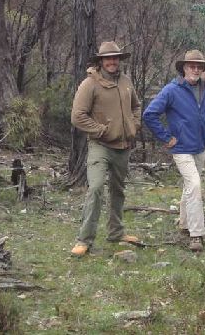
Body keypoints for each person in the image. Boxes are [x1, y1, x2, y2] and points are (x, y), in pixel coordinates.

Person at [143, 48, 205, 252]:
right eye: (192, 66)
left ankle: (184, 223)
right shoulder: (171, 90)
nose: (196, 69)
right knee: (194, 184)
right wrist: (166, 137)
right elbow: (150, 114)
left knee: (190, 186)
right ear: (184, 68)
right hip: (181, 148)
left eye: (199, 66)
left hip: (200, 145)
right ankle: (196, 234)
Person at [69, 40, 142, 256]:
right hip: (100, 146)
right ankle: (84, 239)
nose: (112, 62)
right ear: (101, 61)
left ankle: (116, 232)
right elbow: (77, 116)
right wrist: (101, 130)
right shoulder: (89, 84)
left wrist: (134, 125)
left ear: (119, 60)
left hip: (124, 146)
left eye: (115, 58)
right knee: (96, 187)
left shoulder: (126, 81)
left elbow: (136, 106)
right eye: (108, 58)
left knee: (118, 190)